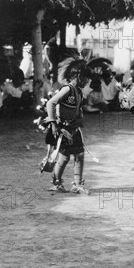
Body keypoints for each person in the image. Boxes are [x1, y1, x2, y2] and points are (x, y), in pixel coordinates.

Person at [44, 59, 92, 194]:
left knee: (80, 155)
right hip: (63, 129)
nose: (87, 81)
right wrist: (53, 124)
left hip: (74, 129)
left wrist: (79, 119)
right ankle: (57, 183)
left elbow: (77, 110)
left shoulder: (78, 92)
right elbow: (50, 103)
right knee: (64, 157)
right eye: (86, 78)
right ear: (79, 76)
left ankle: (77, 185)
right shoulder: (67, 89)